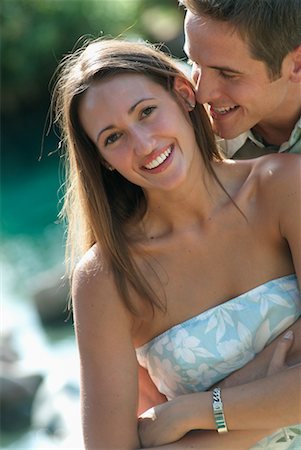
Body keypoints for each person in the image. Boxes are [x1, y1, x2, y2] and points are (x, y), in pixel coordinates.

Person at [53, 37, 301, 450]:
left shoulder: (284, 187)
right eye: (113, 138)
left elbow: (159, 432)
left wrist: (193, 412)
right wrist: (270, 400)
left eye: (146, 112)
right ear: (101, 159)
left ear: (183, 94)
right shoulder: (107, 278)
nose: (144, 144)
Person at [180, 0, 301, 159]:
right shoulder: (181, 133)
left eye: (227, 74)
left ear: (296, 65)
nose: (201, 95)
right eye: (193, 63)